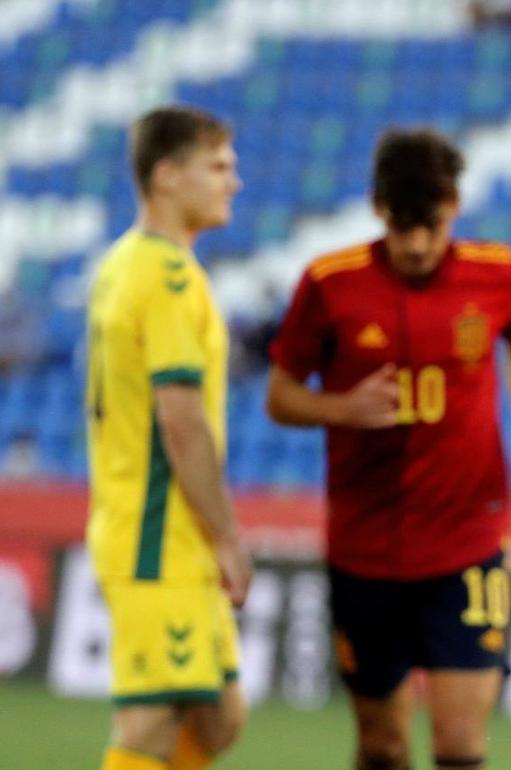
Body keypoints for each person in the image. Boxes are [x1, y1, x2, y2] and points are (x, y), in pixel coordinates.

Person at [266, 128, 511, 770]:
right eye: (403, 227)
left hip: (469, 542)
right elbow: (280, 396)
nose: (418, 245)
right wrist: (341, 408)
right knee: (383, 745)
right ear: (377, 209)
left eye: (431, 225)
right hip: (365, 549)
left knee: (458, 744)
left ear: (453, 204)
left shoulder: (498, 273)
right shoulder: (330, 283)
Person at [86, 106, 251, 770]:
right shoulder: (169, 277)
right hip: (158, 532)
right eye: (217, 167)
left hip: (148, 525)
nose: (232, 183)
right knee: (151, 718)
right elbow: (180, 420)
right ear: (166, 176)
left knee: (219, 718)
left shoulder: (125, 263)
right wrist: (228, 536)